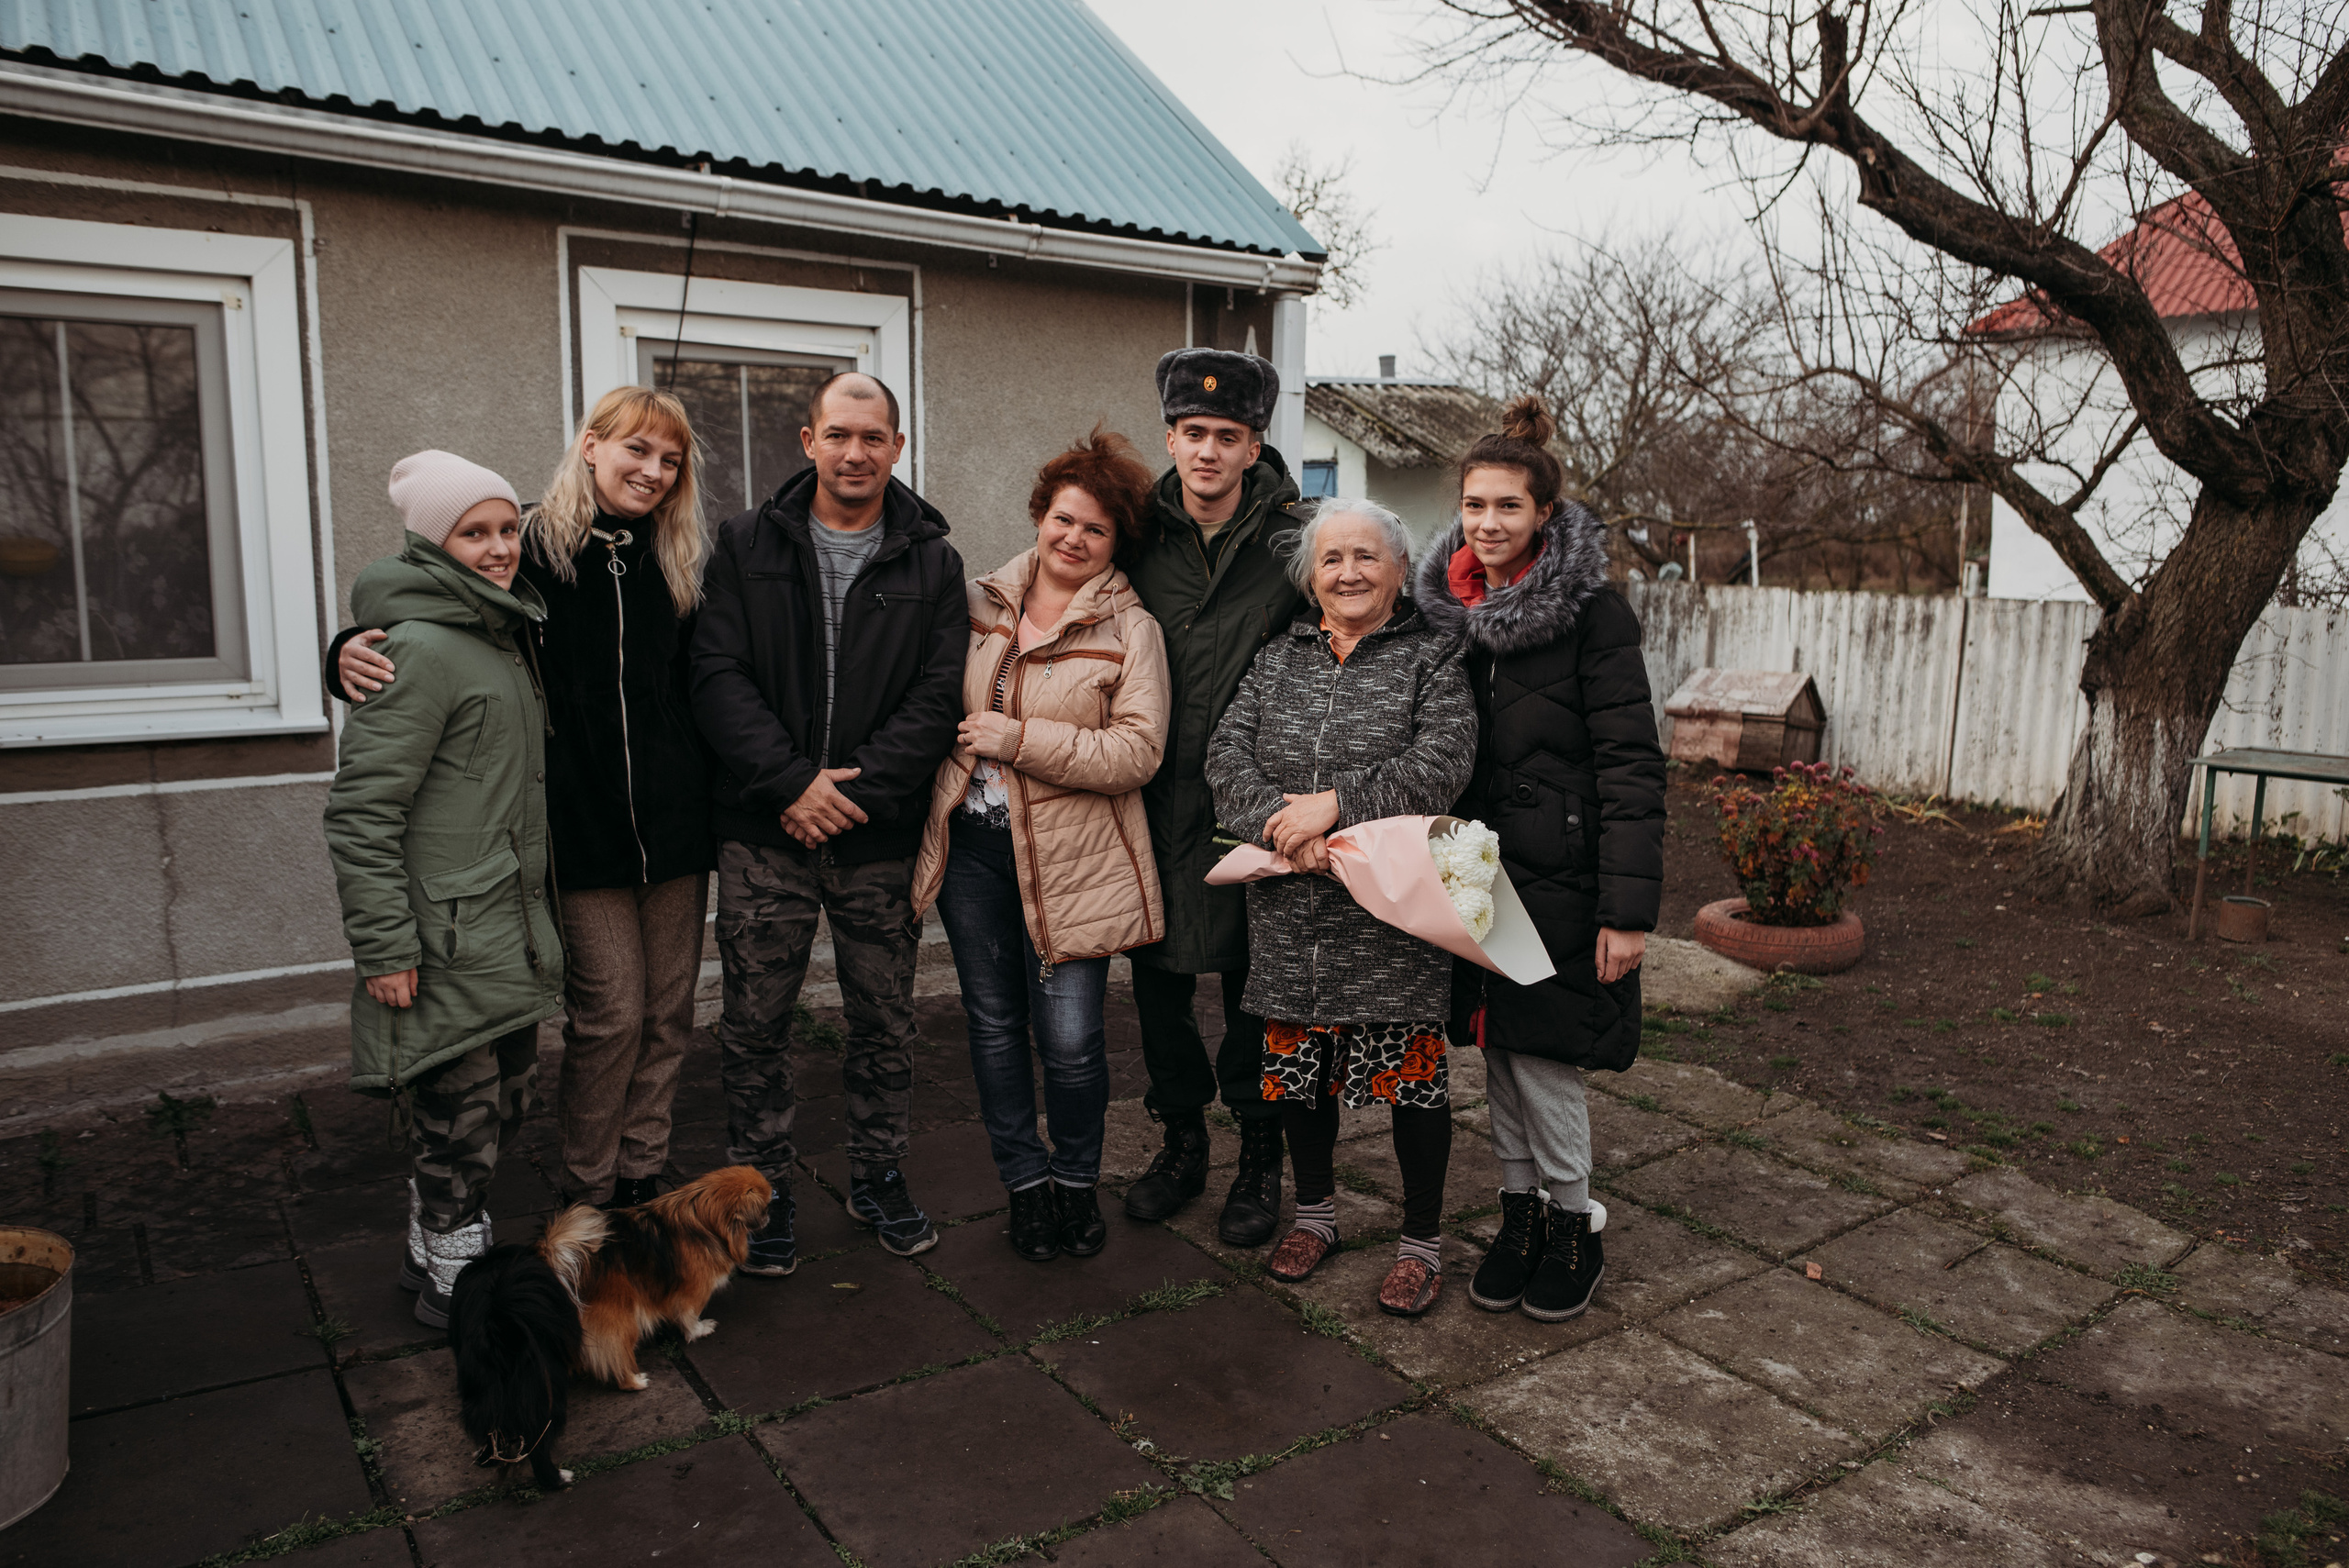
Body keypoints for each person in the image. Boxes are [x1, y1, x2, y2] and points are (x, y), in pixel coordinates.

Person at [335, 389, 715, 1218]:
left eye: (670, 459)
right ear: (590, 446)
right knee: (609, 1015)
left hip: (677, 825)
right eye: (636, 451)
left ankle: (642, 1169)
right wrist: (344, 650)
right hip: (573, 831)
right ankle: (588, 1187)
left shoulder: (682, 556)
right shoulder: (528, 542)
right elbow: (415, 589)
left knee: (668, 1014)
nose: (653, 471)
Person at [690, 371, 967, 1269]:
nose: (855, 452)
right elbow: (716, 676)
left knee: (885, 1021)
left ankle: (879, 1174)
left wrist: (854, 792)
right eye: (838, 434)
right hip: (764, 830)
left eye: (873, 436)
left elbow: (936, 697)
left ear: (896, 445)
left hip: (876, 835)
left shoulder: (932, 559)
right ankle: (757, 1194)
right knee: (752, 1024)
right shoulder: (743, 544)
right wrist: (788, 784)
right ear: (806, 441)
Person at [1414, 395, 1665, 1323]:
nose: (1487, 523)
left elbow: (1631, 762)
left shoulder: (1593, 614)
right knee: (1500, 1049)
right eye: (1475, 506)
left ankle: (1573, 1222)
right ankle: (1516, 1214)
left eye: (1507, 507)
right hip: (1473, 868)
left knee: (1549, 1058)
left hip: (1561, 874)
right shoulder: (1447, 611)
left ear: (1544, 516)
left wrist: (1627, 909)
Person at [1204, 498, 1476, 1316]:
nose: (1349, 571)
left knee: (1412, 1085)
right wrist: (1284, 828)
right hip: (1293, 910)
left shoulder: (1430, 657)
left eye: (1367, 556)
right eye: (1331, 559)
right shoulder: (1278, 657)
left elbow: (1444, 761)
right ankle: (1316, 1215)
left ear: (1399, 571)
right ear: (1309, 576)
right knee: (1296, 1077)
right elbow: (1226, 752)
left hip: (1393, 915)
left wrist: (1335, 805)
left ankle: (1422, 1242)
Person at [910, 428, 1170, 1262]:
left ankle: (1074, 1184)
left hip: (1075, 862)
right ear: (1041, 514)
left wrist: (1018, 738)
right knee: (990, 1026)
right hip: (975, 852)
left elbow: (1137, 752)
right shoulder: (980, 602)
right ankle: (1024, 1186)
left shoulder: (1133, 630)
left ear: (1115, 542)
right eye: (1064, 518)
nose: (1074, 538)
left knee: (1070, 1039)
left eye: (1095, 529)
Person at [324, 450, 564, 1329]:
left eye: (508, 529)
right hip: (444, 934)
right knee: (458, 1105)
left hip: (499, 922)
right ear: (433, 543)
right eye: (476, 533)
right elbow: (361, 811)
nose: (501, 549)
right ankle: (455, 1279)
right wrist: (384, 947)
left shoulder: (492, 631)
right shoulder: (420, 648)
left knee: (499, 1094)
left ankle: (434, 1238)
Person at [1120, 349, 1308, 1247]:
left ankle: (1258, 1152)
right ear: (1170, 436)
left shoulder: (1294, 540)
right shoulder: (1135, 536)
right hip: (1150, 800)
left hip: (1250, 804)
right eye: (1192, 432)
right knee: (1157, 984)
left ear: (1252, 444)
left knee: (1251, 989)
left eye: (1225, 435)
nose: (1206, 450)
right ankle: (1183, 1141)